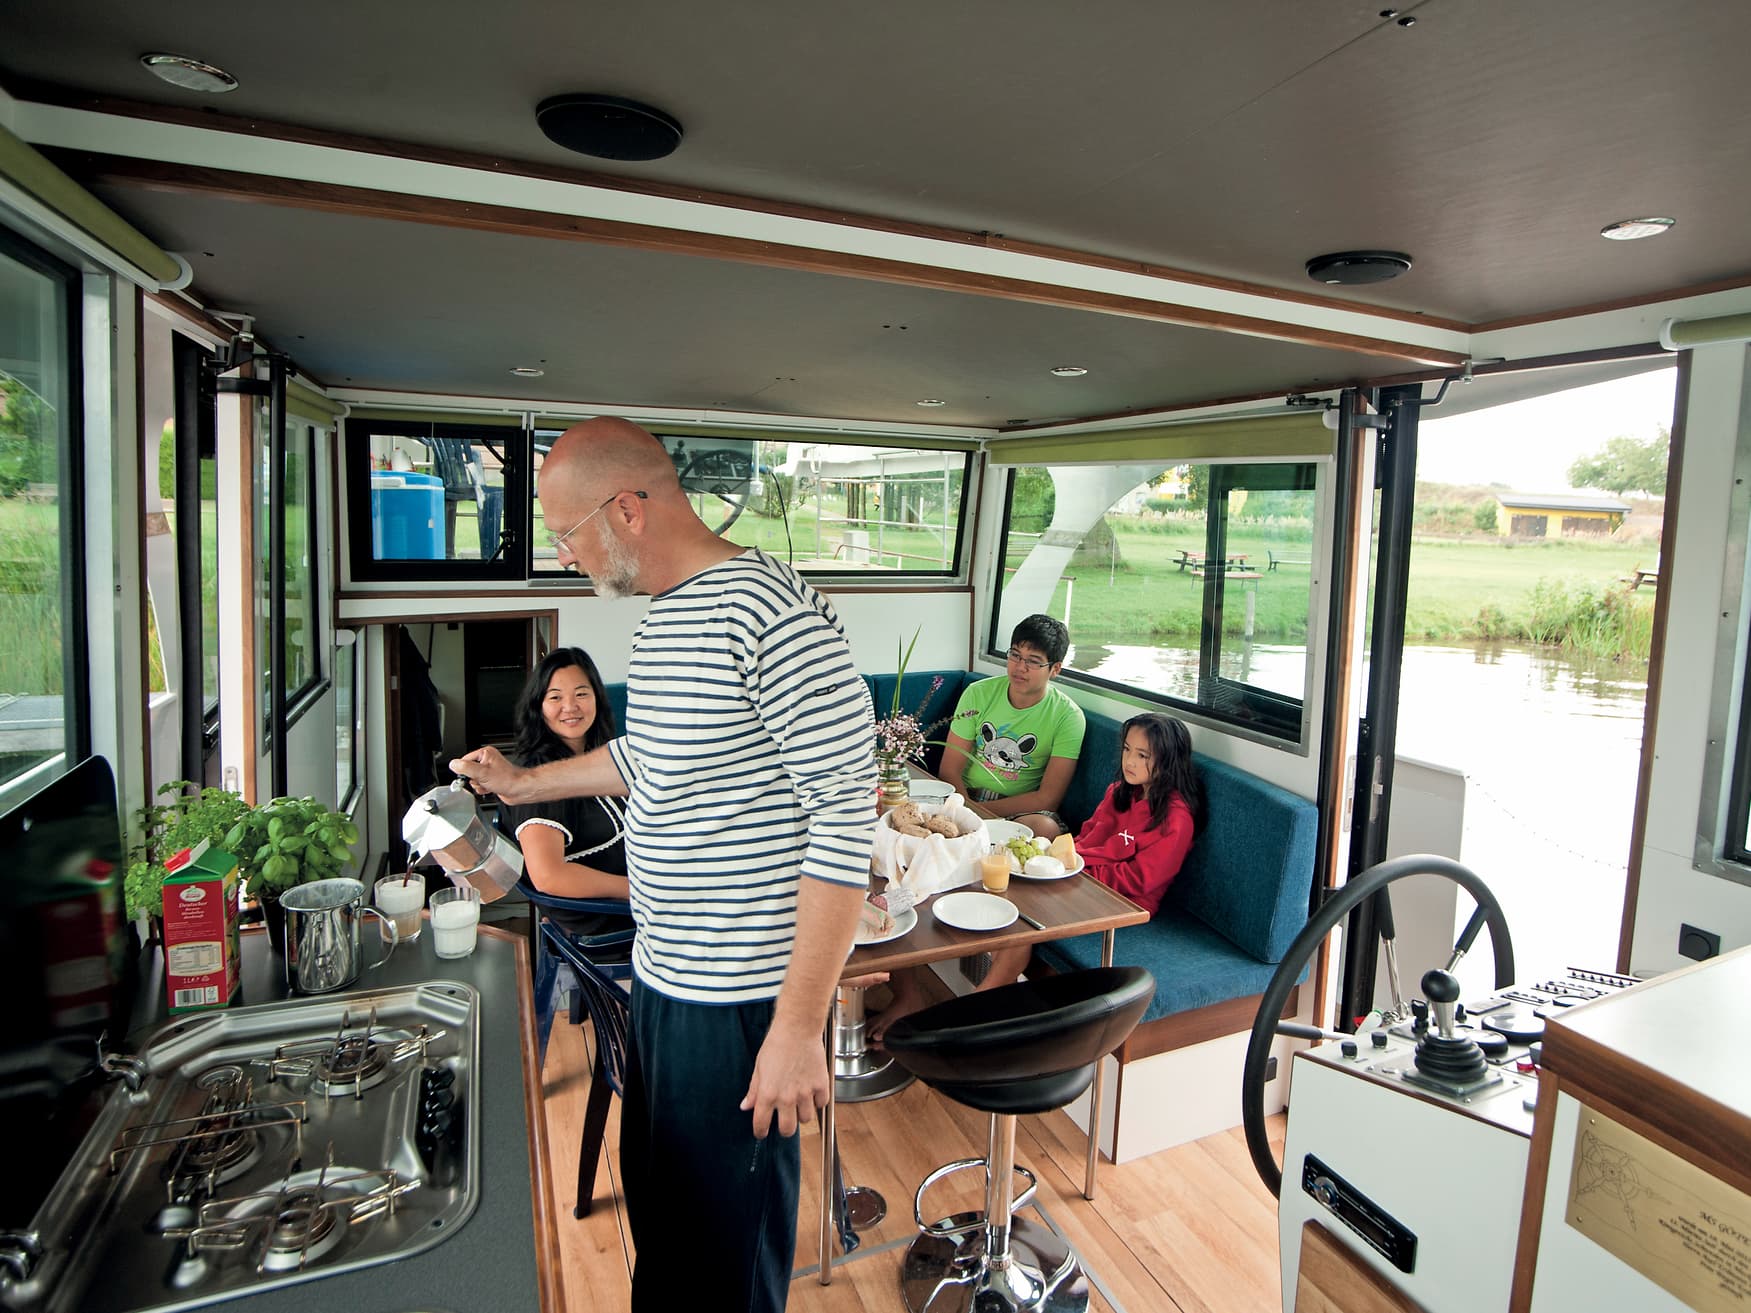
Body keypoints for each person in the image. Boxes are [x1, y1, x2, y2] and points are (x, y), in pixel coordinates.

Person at [448, 417, 875, 1313]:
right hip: (668, 979)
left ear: (628, 509)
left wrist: (798, 1027)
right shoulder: (669, 616)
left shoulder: (772, 614)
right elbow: (648, 758)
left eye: (566, 534)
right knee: (672, 1234)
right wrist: (524, 783)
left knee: (725, 1259)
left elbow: (844, 818)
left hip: (741, 1004)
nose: (564, 555)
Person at [872, 712, 1199, 1043]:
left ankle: (965, 1017)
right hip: (1079, 878)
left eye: (1142, 755)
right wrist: (1054, 861)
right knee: (987, 875)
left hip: (1120, 903)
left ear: (1168, 760)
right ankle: (966, 1004)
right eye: (1127, 750)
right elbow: (1084, 839)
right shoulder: (1121, 792)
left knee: (1019, 921)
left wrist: (1074, 870)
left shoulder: (1175, 818)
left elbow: (1140, 881)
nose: (1129, 761)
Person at [497, 646, 632, 950]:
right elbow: (549, 876)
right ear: (538, 706)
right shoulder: (540, 776)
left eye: (581, 694)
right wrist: (637, 889)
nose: (570, 707)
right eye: (555, 697)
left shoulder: (597, 759)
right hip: (610, 919)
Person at [938, 613, 1085, 838]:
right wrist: (966, 809)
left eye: (1033, 661)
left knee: (1047, 828)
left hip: (1019, 809)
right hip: (965, 797)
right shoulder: (978, 693)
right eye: (1015, 655)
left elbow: (1049, 798)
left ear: (1055, 669)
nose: (1020, 667)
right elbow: (949, 768)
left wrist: (981, 817)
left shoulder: (1068, 716)